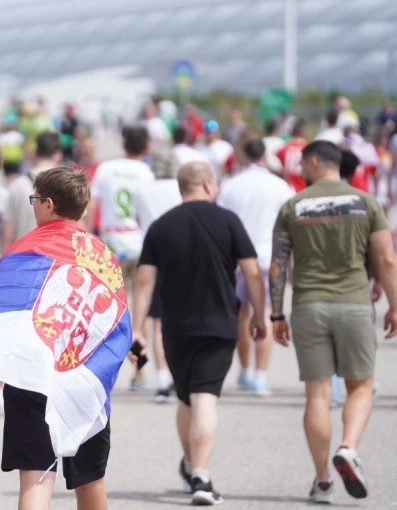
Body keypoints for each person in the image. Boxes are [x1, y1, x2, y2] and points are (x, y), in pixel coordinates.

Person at [132, 161, 267, 506]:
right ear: (208, 184)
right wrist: (259, 314)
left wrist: (137, 328)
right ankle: (202, 478)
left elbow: (144, 280)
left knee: (185, 399)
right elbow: (252, 273)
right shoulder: (228, 221)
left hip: (175, 327)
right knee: (205, 397)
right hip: (219, 324)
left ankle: (192, 465)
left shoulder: (161, 226)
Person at [269, 141, 397, 503]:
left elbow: (278, 265)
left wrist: (277, 313)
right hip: (354, 304)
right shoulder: (366, 203)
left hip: (309, 306)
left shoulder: (293, 205)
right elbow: (386, 259)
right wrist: (394, 305)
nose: (299, 170)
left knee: (318, 394)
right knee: (361, 386)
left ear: (313, 163)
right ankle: (349, 448)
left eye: (301, 164)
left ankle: (323, 480)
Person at [2, 167, 112, 510]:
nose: (33, 205)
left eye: (34, 199)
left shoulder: (25, 249)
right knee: (90, 479)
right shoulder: (101, 254)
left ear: (48, 204)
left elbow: (0, 308)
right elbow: (114, 316)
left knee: (35, 478)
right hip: (84, 375)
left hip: (31, 373)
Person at [217, 139, 293, 395]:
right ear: (265, 156)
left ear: (242, 155)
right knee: (269, 313)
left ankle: (246, 369)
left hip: (238, 258)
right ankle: (261, 374)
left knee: (242, 314)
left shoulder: (230, 185)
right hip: (270, 255)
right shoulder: (280, 186)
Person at [137, 144, 183, 401]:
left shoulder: (143, 189)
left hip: (153, 255)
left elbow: (137, 219)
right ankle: (179, 375)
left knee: (159, 323)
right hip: (182, 255)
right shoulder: (180, 188)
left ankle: (162, 379)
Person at [85, 126, 154, 285]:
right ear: (147, 147)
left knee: (111, 295)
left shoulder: (105, 168)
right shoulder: (147, 173)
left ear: (123, 145)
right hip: (138, 242)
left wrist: (90, 236)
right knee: (139, 295)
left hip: (110, 242)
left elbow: (91, 204)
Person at [0, 131, 63, 252]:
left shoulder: (17, 185)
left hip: (23, 257)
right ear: (58, 155)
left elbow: (7, 235)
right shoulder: (68, 186)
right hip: (57, 259)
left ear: (35, 153)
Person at [277, 120, 308, 192]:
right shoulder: (309, 149)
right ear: (304, 133)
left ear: (291, 133)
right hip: (304, 190)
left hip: (287, 189)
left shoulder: (282, 149)